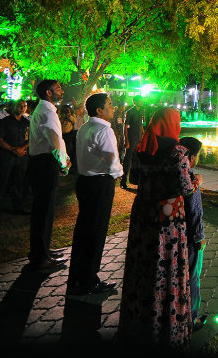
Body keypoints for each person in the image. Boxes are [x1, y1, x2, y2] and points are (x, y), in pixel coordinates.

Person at [118, 107, 200, 349]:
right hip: (168, 219)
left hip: (144, 214)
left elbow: (133, 179)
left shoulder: (142, 149)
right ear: (172, 124)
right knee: (168, 268)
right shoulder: (178, 152)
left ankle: (139, 322)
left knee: (143, 265)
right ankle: (168, 326)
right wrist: (196, 181)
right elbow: (185, 187)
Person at [66, 93, 123, 295]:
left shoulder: (85, 127)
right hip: (99, 182)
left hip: (85, 181)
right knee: (96, 231)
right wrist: (118, 174)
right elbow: (111, 161)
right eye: (109, 104)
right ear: (99, 110)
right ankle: (89, 279)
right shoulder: (104, 130)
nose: (113, 107)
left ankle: (77, 275)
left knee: (84, 230)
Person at [26, 80, 70, 271]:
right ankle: (40, 257)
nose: (62, 90)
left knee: (44, 210)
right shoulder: (47, 111)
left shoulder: (45, 109)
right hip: (44, 164)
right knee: (43, 211)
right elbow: (54, 140)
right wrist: (63, 162)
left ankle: (43, 250)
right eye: (58, 88)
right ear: (48, 92)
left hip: (41, 163)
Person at [178, 136, 208, 332]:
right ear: (191, 157)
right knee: (193, 276)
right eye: (198, 155)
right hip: (190, 237)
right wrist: (199, 236)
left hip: (176, 234)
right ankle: (192, 317)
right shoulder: (190, 179)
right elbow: (195, 210)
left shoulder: (172, 173)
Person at [0, 100, 30, 224]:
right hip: (5, 157)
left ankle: (18, 207)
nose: (22, 108)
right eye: (19, 105)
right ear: (12, 107)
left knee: (18, 183)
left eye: (24, 106)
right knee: (1, 184)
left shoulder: (27, 122)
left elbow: (31, 138)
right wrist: (13, 149)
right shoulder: (3, 122)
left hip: (21, 157)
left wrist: (22, 149)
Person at [120, 96, 144, 189]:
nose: (142, 102)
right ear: (135, 102)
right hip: (131, 138)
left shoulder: (141, 111)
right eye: (140, 101)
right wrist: (126, 140)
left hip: (139, 138)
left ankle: (134, 180)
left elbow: (141, 124)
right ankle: (123, 181)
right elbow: (125, 126)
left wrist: (143, 135)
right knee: (128, 160)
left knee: (137, 160)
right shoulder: (130, 112)